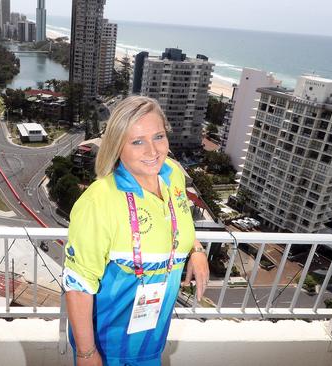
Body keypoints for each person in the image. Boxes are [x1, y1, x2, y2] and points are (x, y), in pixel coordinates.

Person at [64, 96, 209, 365]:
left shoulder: (173, 174)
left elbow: (179, 222)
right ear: (118, 146)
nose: (153, 151)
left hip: (152, 340)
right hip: (108, 348)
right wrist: (86, 353)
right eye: (137, 141)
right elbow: (78, 286)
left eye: (158, 136)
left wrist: (196, 250)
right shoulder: (99, 201)